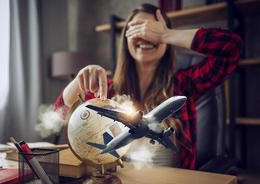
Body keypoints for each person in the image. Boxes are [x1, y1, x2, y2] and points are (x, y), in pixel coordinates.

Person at [54, 4, 243, 169]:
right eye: (137, 29)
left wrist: (167, 34)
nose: (145, 36)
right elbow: (58, 115)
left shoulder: (184, 85)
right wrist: (78, 83)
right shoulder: (107, 92)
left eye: (152, 29)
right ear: (125, 39)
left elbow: (231, 48)